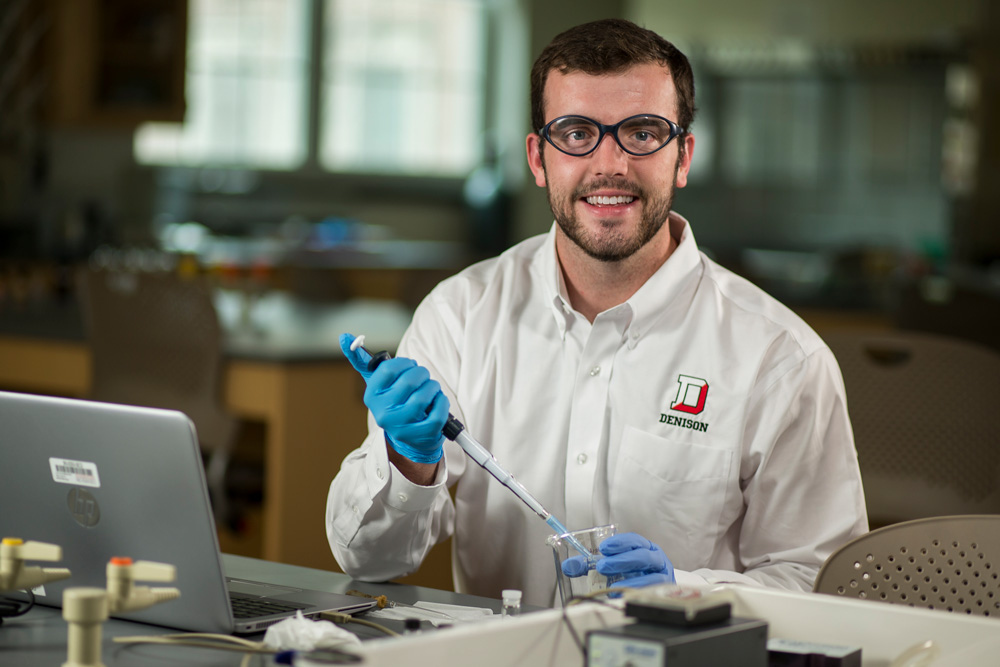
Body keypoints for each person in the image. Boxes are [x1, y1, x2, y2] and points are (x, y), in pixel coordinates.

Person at [326, 18, 868, 608]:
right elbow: (369, 563)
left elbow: (824, 590)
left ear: (682, 157)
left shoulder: (780, 359)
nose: (609, 164)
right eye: (577, 133)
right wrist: (408, 462)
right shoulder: (460, 316)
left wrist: (685, 592)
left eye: (641, 133)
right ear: (539, 158)